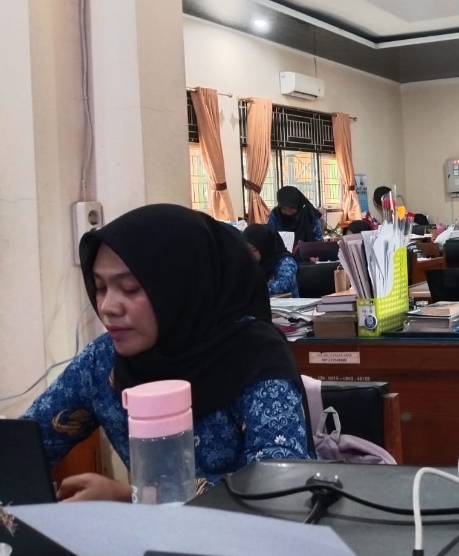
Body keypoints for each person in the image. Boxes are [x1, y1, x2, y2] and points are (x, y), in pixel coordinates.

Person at [21, 204, 313, 501]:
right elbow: (22, 446)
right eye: (99, 287)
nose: (107, 307)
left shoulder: (254, 356)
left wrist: (133, 498)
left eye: (130, 288)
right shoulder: (104, 361)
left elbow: (278, 486)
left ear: (181, 287)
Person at [243, 224, 299, 297]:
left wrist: (250, 288)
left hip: (286, 302)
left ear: (264, 246)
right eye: (246, 249)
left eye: (253, 249)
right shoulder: (251, 262)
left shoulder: (286, 261)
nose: (249, 254)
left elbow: (283, 285)